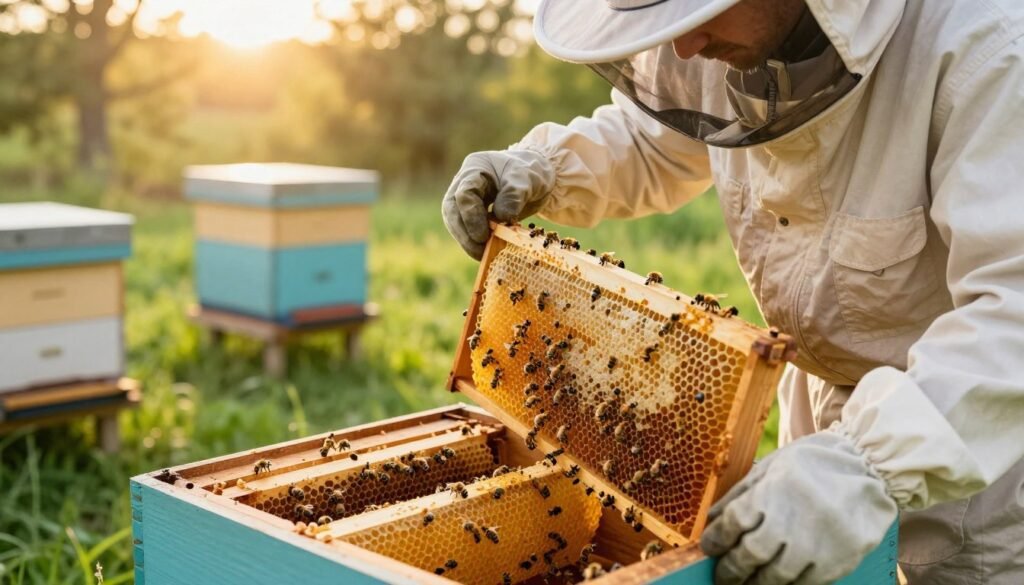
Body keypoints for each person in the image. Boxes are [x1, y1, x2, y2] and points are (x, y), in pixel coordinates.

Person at [441, 0, 1024, 583]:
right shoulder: (727, 40)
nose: (685, 48)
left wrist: (868, 464)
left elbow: (1012, 320)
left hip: (976, 439)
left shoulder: (989, 49)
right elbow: (654, 138)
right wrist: (545, 165)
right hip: (822, 423)